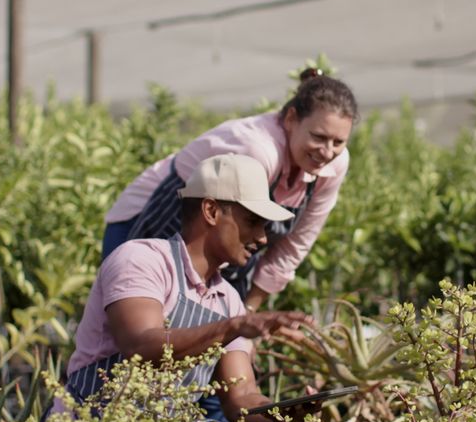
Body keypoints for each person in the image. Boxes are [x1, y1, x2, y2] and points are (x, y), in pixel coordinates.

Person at [55, 154, 317, 422]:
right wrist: (233, 327)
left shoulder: (228, 300)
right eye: (253, 221)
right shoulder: (142, 260)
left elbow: (241, 400)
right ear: (211, 211)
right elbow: (140, 348)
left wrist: (286, 416)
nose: (263, 237)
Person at [102, 71, 358, 313]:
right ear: (291, 119)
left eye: (338, 142)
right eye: (318, 137)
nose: (327, 152)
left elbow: (297, 243)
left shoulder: (334, 164)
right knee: (130, 329)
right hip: (151, 220)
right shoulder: (258, 150)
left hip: (218, 250)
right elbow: (214, 231)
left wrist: (248, 310)